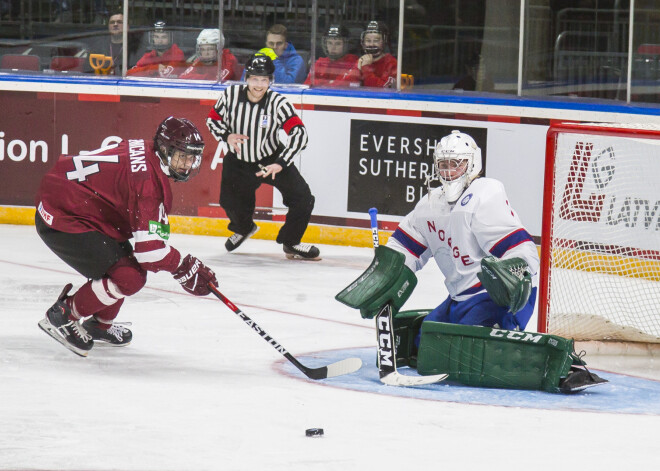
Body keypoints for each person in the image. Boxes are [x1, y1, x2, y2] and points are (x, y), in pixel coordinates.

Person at [35, 116, 219, 357]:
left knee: (127, 268)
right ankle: (63, 314)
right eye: (182, 156)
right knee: (129, 278)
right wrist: (184, 266)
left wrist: (180, 265)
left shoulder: (147, 150)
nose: (188, 164)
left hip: (78, 204)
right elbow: (150, 252)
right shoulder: (149, 186)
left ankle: (99, 325)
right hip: (65, 215)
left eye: (192, 157)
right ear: (164, 149)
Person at [387, 130, 539, 332]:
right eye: (443, 164)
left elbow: (522, 250)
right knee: (422, 342)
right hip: (459, 298)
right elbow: (404, 249)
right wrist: (384, 274)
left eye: (456, 164)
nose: (449, 171)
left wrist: (516, 273)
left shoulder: (484, 194)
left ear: (472, 164)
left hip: (496, 299)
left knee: (456, 348)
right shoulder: (430, 206)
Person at [206, 53, 320, 260]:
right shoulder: (230, 95)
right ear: (247, 78)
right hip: (238, 162)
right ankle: (244, 227)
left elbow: (299, 133)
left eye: (264, 80)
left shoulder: (277, 103)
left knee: (303, 198)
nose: (259, 85)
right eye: (255, 79)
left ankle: (291, 242)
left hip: (270, 159)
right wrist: (226, 135)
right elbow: (212, 120)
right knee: (229, 202)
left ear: (270, 81)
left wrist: (281, 163)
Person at [357, 20, 397, 88]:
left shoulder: (391, 63)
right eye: (368, 40)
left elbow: (383, 89)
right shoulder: (360, 61)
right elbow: (345, 85)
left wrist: (366, 68)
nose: (372, 44)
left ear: (384, 41)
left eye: (376, 40)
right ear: (363, 42)